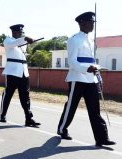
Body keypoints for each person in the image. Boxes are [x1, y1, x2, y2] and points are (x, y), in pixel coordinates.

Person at [57, 12, 115, 146]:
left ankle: (102, 138)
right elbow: (72, 62)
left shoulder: (92, 40)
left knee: (95, 109)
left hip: (91, 79)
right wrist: (86, 69)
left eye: (93, 23)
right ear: (81, 22)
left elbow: (92, 61)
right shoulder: (74, 39)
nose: (92, 25)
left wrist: (98, 74)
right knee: (71, 107)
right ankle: (62, 129)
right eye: (90, 22)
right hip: (77, 78)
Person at [0, 24, 41, 127]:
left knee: (25, 96)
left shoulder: (23, 42)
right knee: (8, 94)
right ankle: (3, 114)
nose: (20, 34)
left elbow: (21, 45)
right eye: (19, 32)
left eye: (22, 33)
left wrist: (26, 40)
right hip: (12, 72)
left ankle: (28, 118)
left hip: (23, 72)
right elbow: (15, 43)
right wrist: (25, 38)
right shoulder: (8, 41)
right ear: (13, 32)